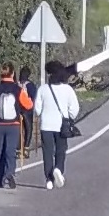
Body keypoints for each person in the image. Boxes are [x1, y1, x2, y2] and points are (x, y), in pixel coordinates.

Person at [0, 62, 33, 189]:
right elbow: (28, 105)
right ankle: (10, 173)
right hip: (14, 124)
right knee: (10, 150)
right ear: (13, 74)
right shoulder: (18, 89)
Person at [34, 61, 80, 190]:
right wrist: (69, 117)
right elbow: (74, 109)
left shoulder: (43, 89)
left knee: (48, 152)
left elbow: (37, 109)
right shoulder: (68, 89)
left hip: (46, 126)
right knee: (61, 150)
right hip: (61, 125)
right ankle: (58, 169)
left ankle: (49, 179)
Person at [16, 66, 38, 159]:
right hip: (27, 110)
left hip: (17, 109)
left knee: (19, 129)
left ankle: (18, 149)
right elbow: (33, 97)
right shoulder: (30, 85)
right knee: (28, 129)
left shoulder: (16, 84)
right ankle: (26, 148)